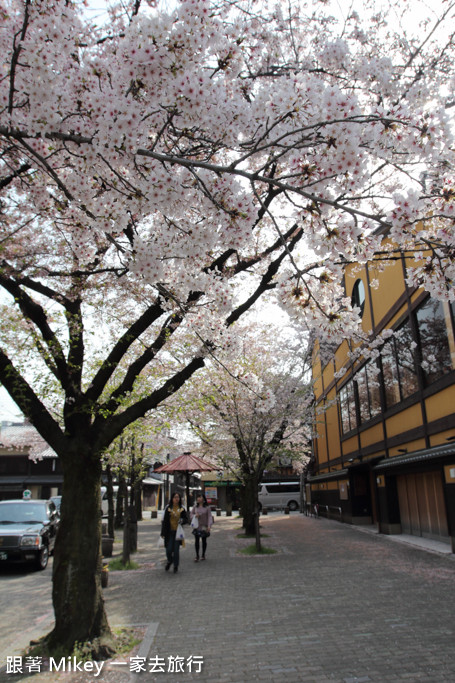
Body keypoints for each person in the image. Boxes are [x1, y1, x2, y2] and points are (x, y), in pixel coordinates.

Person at [161, 492, 188, 573]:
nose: (177, 499)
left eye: (178, 497)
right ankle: (170, 560)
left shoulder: (182, 508)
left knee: (176, 550)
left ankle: (176, 565)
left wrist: (182, 520)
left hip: (177, 532)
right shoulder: (168, 508)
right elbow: (164, 521)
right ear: (172, 498)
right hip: (169, 532)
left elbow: (186, 519)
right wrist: (162, 533)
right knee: (168, 550)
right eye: (175, 497)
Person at [190, 494, 213, 562]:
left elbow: (209, 517)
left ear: (203, 499)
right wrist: (194, 516)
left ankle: (203, 554)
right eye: (198, 497)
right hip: (197, 526)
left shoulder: (207, 507)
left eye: (200, 497)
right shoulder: (195, 507)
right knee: (196, 541)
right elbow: (191, 514)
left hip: (204, 526)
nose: (198, 499)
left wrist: (209, 526)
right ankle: (197, 555)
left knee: (204, 541)